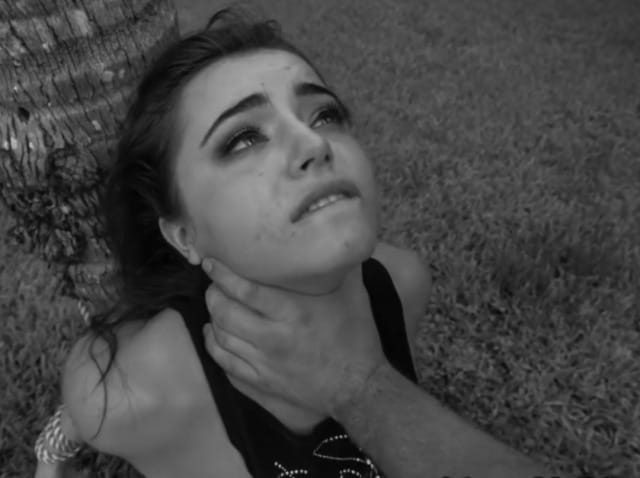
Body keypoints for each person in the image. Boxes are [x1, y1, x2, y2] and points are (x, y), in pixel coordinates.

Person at [34, 8, 562, 478]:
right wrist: (50, 455)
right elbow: (73, 423)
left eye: (325, 115)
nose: (314, 143)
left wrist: (361, 387)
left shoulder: (405, 285)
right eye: (243, 138)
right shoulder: (130, 392)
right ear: (183, 234)